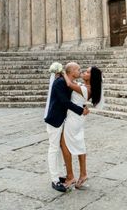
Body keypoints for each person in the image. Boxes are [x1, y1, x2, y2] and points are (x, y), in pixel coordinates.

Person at [44, 62, 89, 192]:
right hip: (55, 120)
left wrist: (84, 106)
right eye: (78, 69)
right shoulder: (59, 82)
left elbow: (75, 97)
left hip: (62, 120)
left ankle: (59, 175)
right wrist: (81, 111)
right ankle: (54, 179)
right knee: (53, 148)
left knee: (59, 148)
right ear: (71, 71)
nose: (80, 71)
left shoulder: (69, 82)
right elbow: (65, 102)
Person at [60, 65, 103, 189]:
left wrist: (63, 72)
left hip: (74, 118)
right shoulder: (86, 87)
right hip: (77, 117)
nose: (84, 72)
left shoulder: (85, 89)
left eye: (87, 72)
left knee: (64, 144)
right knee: (79, 143)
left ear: (92, 77)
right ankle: (83, 174)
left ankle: (70, 176)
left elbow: (68, 83)